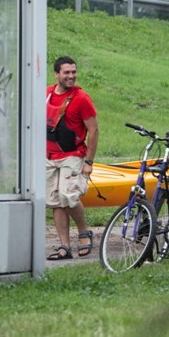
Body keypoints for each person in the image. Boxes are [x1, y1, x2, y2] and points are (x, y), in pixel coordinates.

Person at [46, 56, 99, 260]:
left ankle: (84, 232)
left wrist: (88, 162)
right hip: (48, 156)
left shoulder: (82, 98)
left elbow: (93, 131)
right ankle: (64, 247)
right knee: (55, 202)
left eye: (73, 72)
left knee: (68, 196)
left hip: (72, 155)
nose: (71, 76)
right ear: (56, 74)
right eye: (66, 72)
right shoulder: (47, 94)